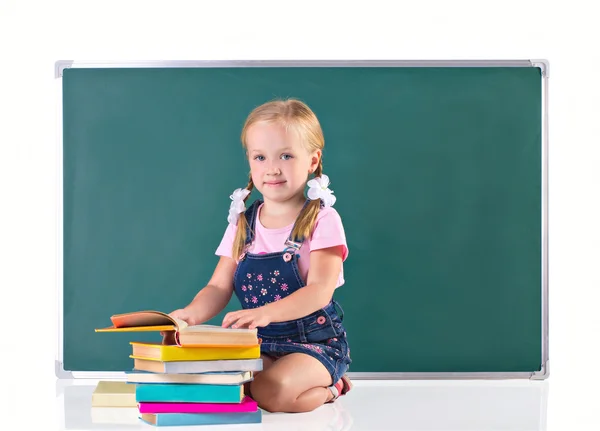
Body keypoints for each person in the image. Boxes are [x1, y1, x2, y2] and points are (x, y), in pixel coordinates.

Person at [167, 98, 352, 413]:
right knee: (221, 382)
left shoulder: (322, 219)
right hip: (258, 344)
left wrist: (267, 312)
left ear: (312, 160)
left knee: (273, 392)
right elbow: (218, 287)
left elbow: (320, 291)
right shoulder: (243, 223)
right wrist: (190, 314)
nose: (272, 168)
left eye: (286, 155)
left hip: (314, 346)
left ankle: (331, 387)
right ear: (250, 163)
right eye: (260, 157)